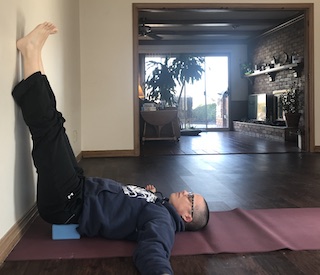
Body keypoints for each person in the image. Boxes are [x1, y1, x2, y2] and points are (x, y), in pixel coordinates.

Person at [12, 22, 210, 275]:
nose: (186, 191)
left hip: (69, 205)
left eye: (191, 199)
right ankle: (33, 53)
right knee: (56, 126)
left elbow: (153, 252)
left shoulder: (163, 221)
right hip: (80, 189)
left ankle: (30, 52)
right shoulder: (160, 205)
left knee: (48, 132)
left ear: (186, 217)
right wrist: (149, 194)